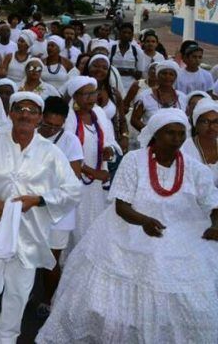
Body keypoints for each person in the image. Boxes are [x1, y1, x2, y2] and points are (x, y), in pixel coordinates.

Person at [37, 109, 218, 343]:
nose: (176, 139)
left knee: (190, 298)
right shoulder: (134, 161)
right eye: (169, 133)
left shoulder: (195, 169)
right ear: (155, 135)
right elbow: (121, 205)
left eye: (181, 134)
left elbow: (213, 203)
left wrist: (215, 224)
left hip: (185, 234)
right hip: (130, 227)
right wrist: (143, 221)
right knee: (112, 302)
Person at [0, 92, 80, 344]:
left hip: (29, 234)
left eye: (32, 110)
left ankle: (7, 339)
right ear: (11, 113)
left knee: (18, 294)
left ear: (39, 118)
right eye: (20, 109)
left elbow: (73, 190)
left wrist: (38, 200)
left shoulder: (50, 152)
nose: (25, 114)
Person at [35, 96, 84, 312]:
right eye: (47, 124)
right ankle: (27, 295)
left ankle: (49, 301)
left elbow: (74, 176)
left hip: (60, 208)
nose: (52, 129)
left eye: (57, 126)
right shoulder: (31, 134)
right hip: (33, 205)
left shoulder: (70, 141)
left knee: (51, 260)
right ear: (41, 117)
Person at [64, 76, 120, 248]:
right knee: (74, 224)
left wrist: (109, 151)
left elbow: (110, 140)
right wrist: (91, 172)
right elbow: (65, 152)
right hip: (75, 180)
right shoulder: (69, 117)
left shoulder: (99, 114)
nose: (90, 98)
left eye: (93, 93)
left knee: (93, 222)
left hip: (95, 184)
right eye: (85, 94)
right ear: (75, 96)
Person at [131, 60, 185, 132]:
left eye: (171, 74)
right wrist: (151, 135)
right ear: (157, 75)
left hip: (178, 141)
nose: (167, 76)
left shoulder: (182, 97)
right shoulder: (145, 96)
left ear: (175, 77)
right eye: (164, 73)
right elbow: (134, 120)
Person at [181, 100, 218, 186]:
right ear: (196, 125)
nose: (211, 126)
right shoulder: (184, 148)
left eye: (216, 121)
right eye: (205, 121)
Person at [109, 23, 142, 91]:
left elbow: (139, 74)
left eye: (129, 33)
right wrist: (126, 71)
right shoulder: (111, 49)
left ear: (132, 35)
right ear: (119, 34)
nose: (126, 35)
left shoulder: (137, 51)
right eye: (124, 32)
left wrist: (130, 72)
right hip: (113, 85)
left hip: (130, 88)